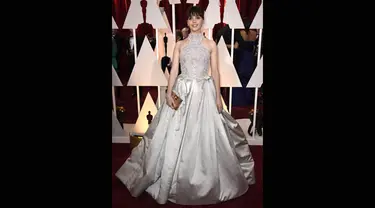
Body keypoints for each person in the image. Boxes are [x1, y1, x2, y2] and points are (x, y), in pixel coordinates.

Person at [115, 6, 255, 205]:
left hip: (203, 92)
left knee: (205, 133)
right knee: (171, 133)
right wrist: (168, 92)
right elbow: (173, 71)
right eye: (191, 19)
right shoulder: (179, 44)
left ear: (202, 20)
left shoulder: (210, 45)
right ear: (187, 22)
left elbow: (215, 72)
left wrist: (217, 97)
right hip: (182, 89)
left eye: (198, 18)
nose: (194, 21)